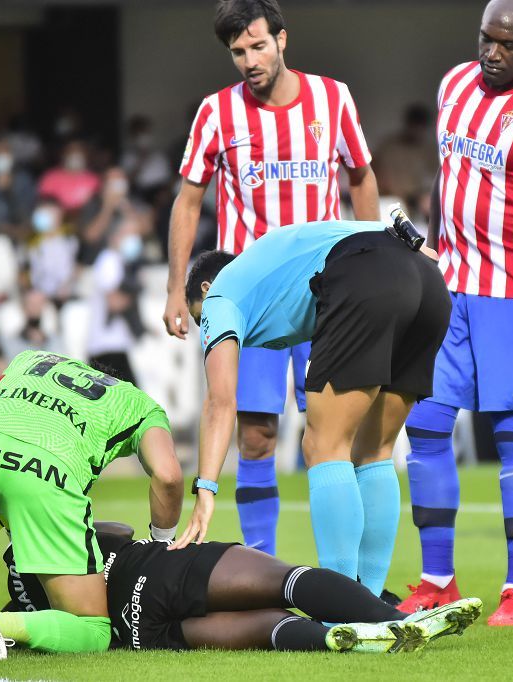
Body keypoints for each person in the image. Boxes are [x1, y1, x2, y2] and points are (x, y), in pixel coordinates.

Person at [163, 0, 380, 560]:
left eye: (258, 46)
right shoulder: (217, 113)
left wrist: (373, 253)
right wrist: (174, 289)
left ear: (282, 40)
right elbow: (188, 203)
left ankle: (345, 573)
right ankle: (264, 572)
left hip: (326, 292)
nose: (249, 60)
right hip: (252, 299)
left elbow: (361, 176)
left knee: (332, 435)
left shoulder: (333, 98)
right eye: (238, 52)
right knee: (256, 434)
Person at [396, 0, 513, 627]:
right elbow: (447, 179)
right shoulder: (454, 83)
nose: (492, 52)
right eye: (486, 39)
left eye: (508, 44)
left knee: (511, 436)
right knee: (424, 426)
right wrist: (428, 253)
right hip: (448, 286)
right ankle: (436, 580)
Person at [174, 218, 450, 603]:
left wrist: (205, 489)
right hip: (427, 282)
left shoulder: (221, 294)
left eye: (200, 318)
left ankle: (340, 610)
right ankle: (371, 605)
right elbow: (367, 228)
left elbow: (220, 402)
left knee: (323, 447)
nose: (208, 331)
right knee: (375, 452)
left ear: (206, 288)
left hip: (369, 277)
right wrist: (409, 242)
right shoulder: (276, 261)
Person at [0, 350, 185, 658]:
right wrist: (162, 544)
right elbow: (169, 475)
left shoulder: (31, 358)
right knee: (93, 631)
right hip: (45, 473)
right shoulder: (138, 403)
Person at [0, 521, 481, 654]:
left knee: (264, 629)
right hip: (151, 570)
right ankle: (401, 622)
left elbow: (42, 625)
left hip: (139, 631)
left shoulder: (19, 588)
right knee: (284, 582)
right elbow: (118, 531)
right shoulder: (54, 525)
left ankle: (332, 639)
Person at [87, 217, 147, 384]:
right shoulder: (109, 260)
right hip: (106, 348)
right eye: (129, 234)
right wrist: (136, 291)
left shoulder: (121, 262)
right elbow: (114, 302)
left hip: (117, 346)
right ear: (115, 237)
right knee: (131, 403)